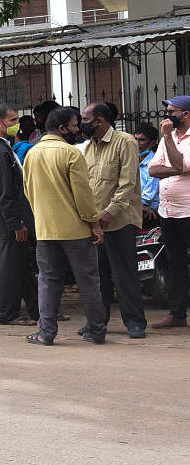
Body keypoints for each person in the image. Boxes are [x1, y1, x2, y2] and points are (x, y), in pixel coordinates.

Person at [22, 107, 106, 345]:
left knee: (48, 281)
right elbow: (84, 196)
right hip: (76, 230)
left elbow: (28, 191)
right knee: (88, 281)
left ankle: (45, 333)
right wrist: (94, 224)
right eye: (74, 126)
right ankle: (97, 331)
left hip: (46, 229)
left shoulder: (32, 153)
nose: (78, 130)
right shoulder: (71, 153)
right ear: (61, 128)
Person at [81, 102, 146, 339]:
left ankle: (135, 322)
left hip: (119, 221)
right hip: (94, 222)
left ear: (99, 121)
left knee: (124, 273)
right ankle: (98, 321)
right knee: (97, 276)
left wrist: (108, 213)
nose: (82, 124)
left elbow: (127, 184)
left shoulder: (125, 141)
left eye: (85, 119)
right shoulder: (88, 147)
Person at [0, 103, 39, 326]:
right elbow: (5, 192)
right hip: (8, 221)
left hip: (5, 218)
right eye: (12, 121)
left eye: (17, 120)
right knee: (11, 269)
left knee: (22, 266)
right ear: (0, 123)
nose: (16, 125)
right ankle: (7, 313)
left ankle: (38, 310)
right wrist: (16, 223)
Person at [146, 96, 190, 329]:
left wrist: (166, 140)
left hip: (189, 211)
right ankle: (177, 314)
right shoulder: (169, 138)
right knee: (175, 263)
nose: (168, 115)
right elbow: (153, 168)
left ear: (187, 114)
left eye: (173, 111)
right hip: (169, 211)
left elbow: (182, 165)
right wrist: (174, 167)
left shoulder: (169, 138)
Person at [135, 123, 160, 224]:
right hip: (137, 208)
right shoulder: (133, 160)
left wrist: (140, 205)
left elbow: (149, 194)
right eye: (135, 139)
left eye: (141, 140)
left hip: (150, 212)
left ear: (153, 143)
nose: (136, 143)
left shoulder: (155, 162)